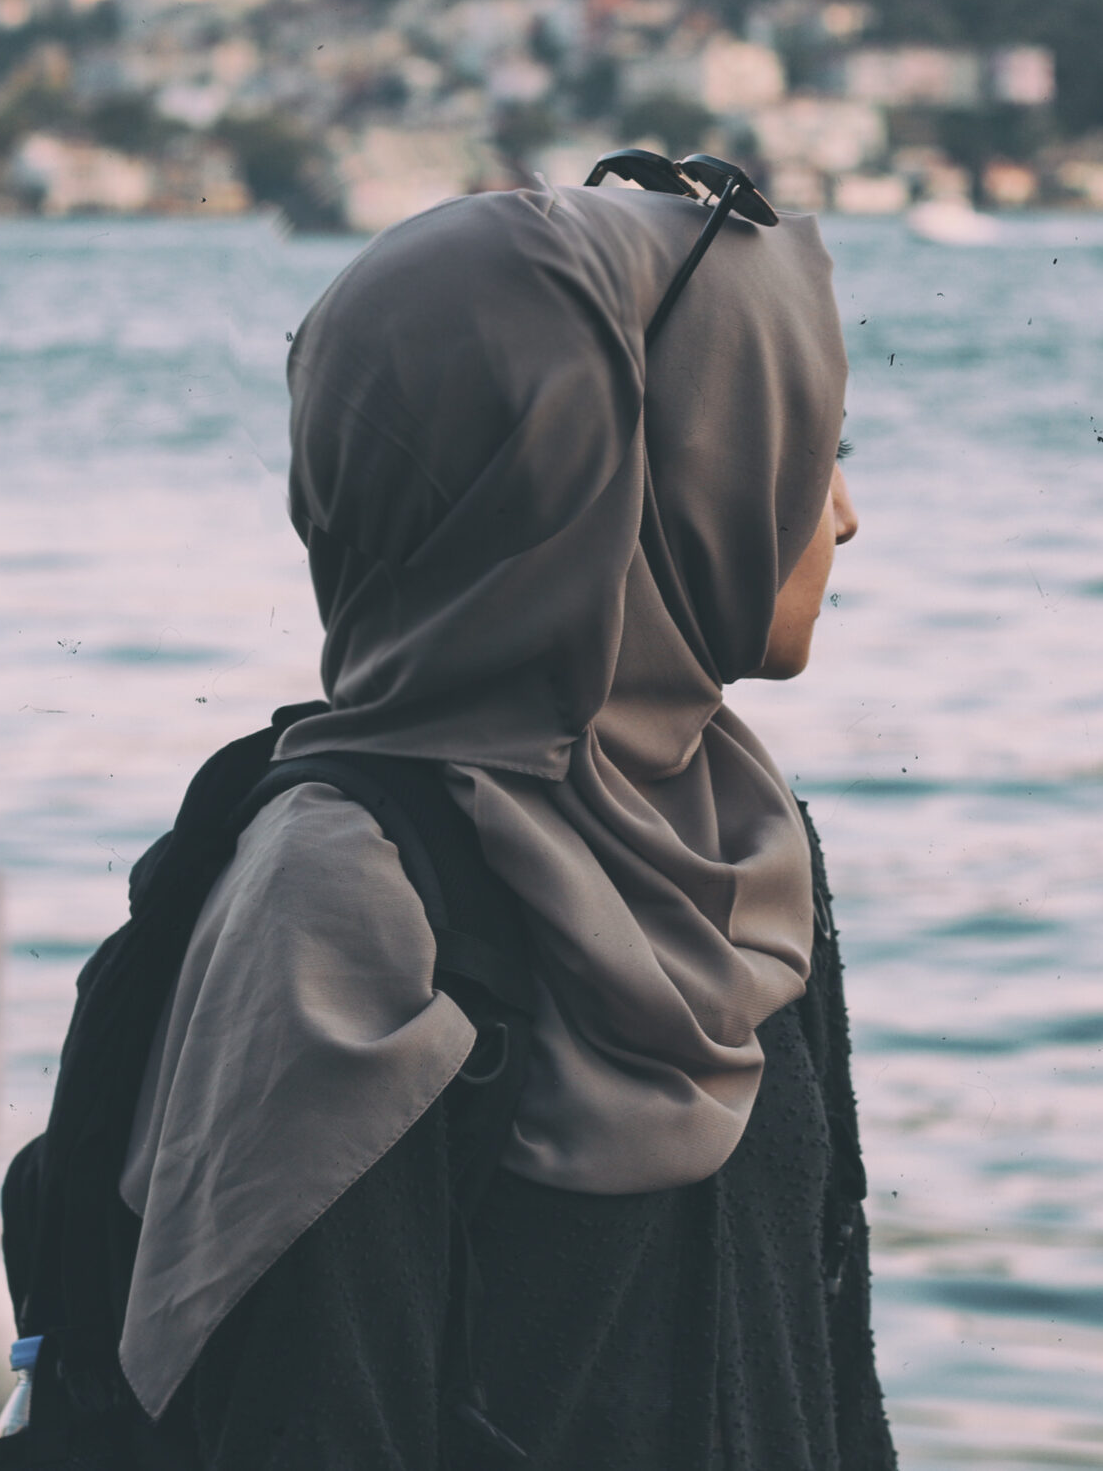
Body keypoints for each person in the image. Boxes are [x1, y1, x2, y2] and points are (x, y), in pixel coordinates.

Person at [116, 180, 888, 1469]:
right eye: (809, 452)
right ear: (619, 481)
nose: (845, 516)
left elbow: (829, 1364)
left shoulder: (743, 839)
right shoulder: (349, 904)